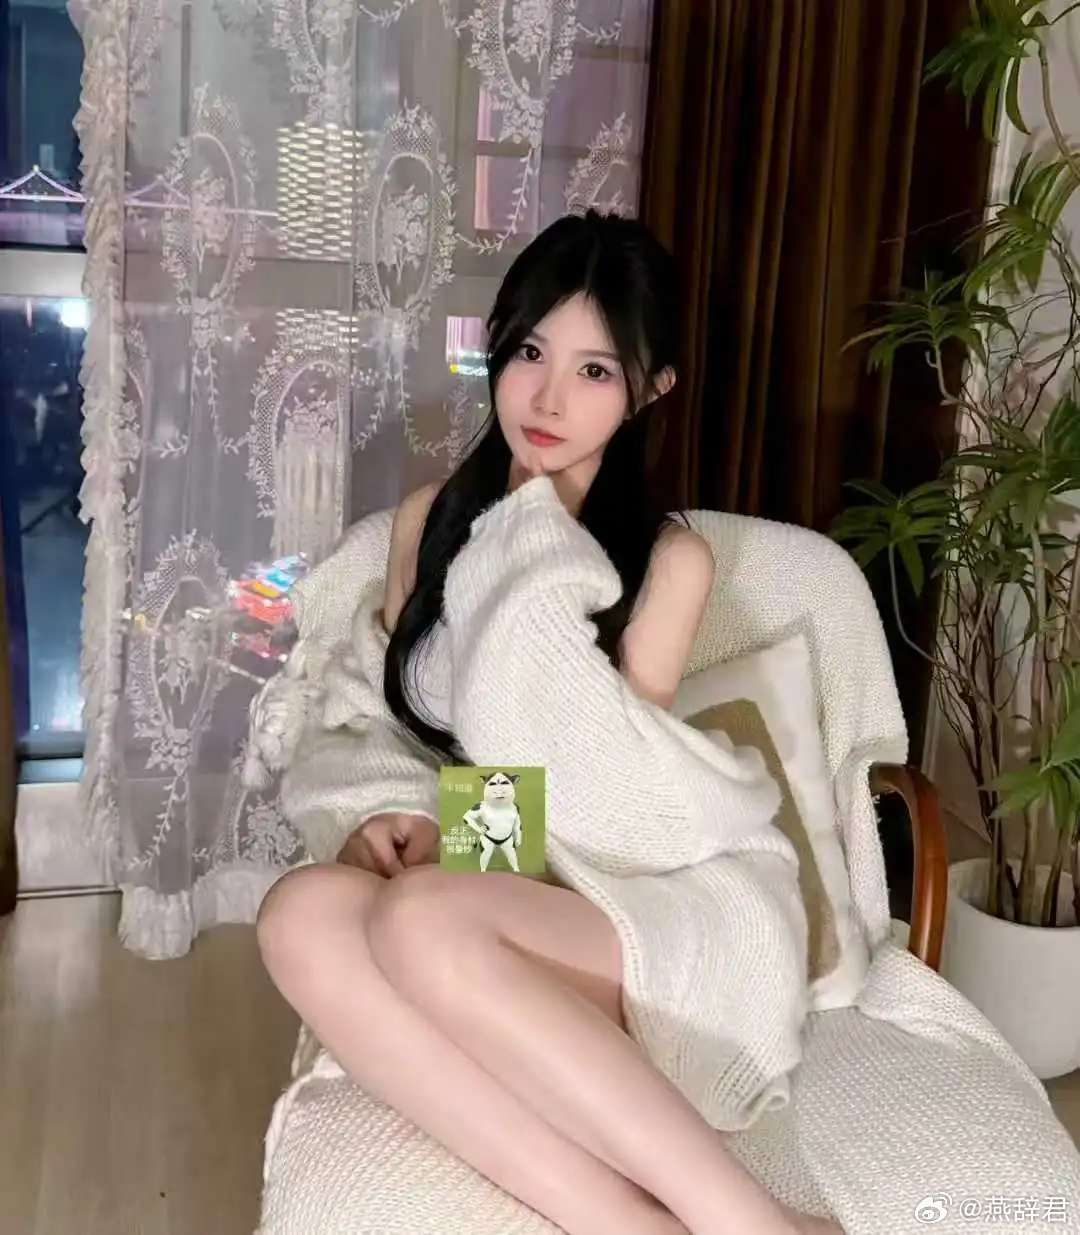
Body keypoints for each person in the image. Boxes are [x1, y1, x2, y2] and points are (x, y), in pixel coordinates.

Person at [255, 210, 840, 1235]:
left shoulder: (667, 562)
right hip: (491, 890)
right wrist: (396, 815)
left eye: (595, 370)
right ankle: (625, 1221)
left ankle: (755, 1223)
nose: (548, 397)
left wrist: (463, 851)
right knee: (298, 913)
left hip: (644, 894)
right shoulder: (431, 520)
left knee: (423, 919)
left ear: (652, 388)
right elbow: (387, 724)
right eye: (530, 352)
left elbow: (603, 793)